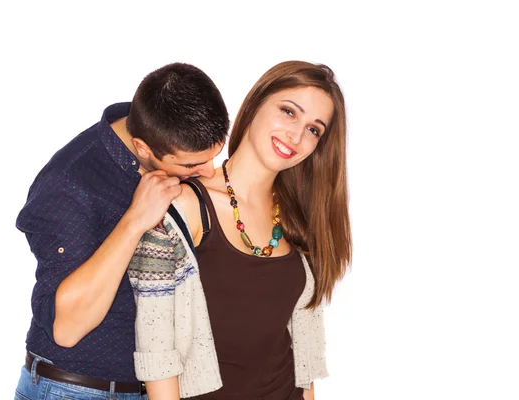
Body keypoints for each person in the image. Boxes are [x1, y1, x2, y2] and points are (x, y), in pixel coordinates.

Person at [129, 61, 352, 399]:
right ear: (256, 103)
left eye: (314, 129)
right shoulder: (180, 206)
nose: (296, 136)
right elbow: (155, 352)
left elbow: (302, 363)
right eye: (289, 112)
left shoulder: (298, 219)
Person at [14, 62, 229, 400]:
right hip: (75, 390)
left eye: (214, 155)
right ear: (143, 148)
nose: (208, 170)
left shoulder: (163, 126)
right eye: (191, 164)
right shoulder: (69, 185)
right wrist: (134, 220)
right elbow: (66, 328)